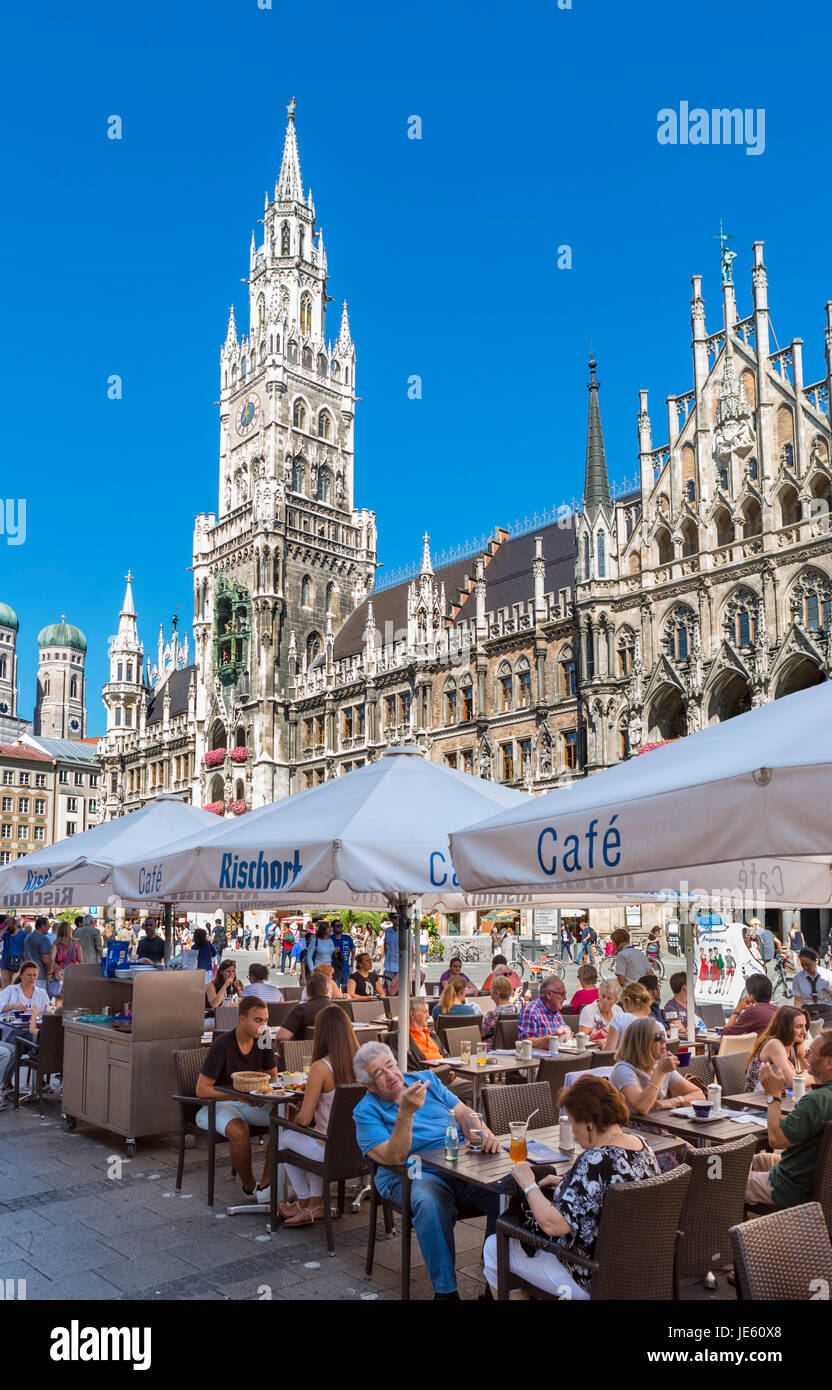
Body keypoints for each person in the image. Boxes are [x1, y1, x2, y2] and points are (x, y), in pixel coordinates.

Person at [482, 1074, 662, 1299]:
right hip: (639, 1268)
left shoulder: (595, 1159)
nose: (571, 1131)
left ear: (588, 1124)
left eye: (571, 1121)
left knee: (493, 1247)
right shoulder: (641, 1146)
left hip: (589, 1274)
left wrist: (528, 1184)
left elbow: (553, 1225)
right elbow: (610, 1186)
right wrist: (565, 1181)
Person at [352, 1041, 501, 1299]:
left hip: (456, 1163)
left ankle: (496, 1284)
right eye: (379, 1074)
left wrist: (482, 1133)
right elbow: (394, 1157)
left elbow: (462, 1112)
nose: (390, 1075)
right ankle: (446, 1291)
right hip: (410, 1172)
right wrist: (406, 1113)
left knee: (506, 1192)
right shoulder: (365, 1112)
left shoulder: (425, 1079)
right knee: (429, 1201)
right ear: (369, 1086)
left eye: (390, 1066)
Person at [277, 1003, 359, 1225]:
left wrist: (291, 1116)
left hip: (330, 1149)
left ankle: (305, 1201)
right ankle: (315, 1203)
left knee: (283, 1138)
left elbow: (304, 1119)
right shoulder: (363, 1062)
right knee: (311, 1135)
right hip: (360, 1150)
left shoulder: (321, 1068)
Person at [195, 995, 275, 1201]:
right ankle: (250, 1187)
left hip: (248, 1102)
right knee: (239, 1131)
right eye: (257, 1020)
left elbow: (273, 1077)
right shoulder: (223, 1044)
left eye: (266, 1020)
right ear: (241, 1019)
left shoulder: (264, 1038)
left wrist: (260, 1094)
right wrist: (239, 1096)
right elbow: (202, 1090)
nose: (263, 1025)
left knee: (287, 1116)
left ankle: (267, 1184)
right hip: (216, 1104)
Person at [744, 1029, 832, 1208]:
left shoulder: (817, 1100)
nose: (806, 1056)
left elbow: (776, 1140)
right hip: (814, 1176)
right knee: (746, 1161)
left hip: (791, 1187)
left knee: (719, 1180)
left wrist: (773, 1095)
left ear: (829, 1062)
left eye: (811, 1052)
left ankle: (719, 1228)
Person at [610, 1016, 699, 1116]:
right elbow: (642, 1107)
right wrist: (660, 1072)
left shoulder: (658, 1066)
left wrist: (672, 1102)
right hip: (631, 1129)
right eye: (658, 1037)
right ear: (642, 1043)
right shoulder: (623, 1069)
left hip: (659, 1126)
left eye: (663, 1035)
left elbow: (698, 1095)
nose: (664, 1040)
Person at [744, 1006, 811, 1092]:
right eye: (798, 1027)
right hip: (756, 1101)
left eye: (805, 1026)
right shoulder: (774, 1044)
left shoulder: (795, 1044)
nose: (804, 1031)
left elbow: (819, 1073)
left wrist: (803, 1075)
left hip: (779, 1098)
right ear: (785, 1028)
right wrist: (807, 1075)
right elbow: (795, 1083)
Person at [276, 972, 333, 1042]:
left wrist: (282, 1052)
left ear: (307, 992)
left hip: (302, 1052)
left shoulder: (301, 1010)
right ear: (327, 991)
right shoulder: (337, 1010)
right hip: (331, 1052)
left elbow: (281, 1036)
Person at [517, 974, 572, 1046]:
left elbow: (565, 1037)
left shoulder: (556, 1012)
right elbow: (525, 1042)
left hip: (557, 1055)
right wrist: (552, 1038)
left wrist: (567, 1036)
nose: (565, 998)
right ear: (549, 995)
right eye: (562, 994)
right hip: (537, 1056)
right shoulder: (531, 1011)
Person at [578, 980, 628, 1049]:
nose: (605, 1001)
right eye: (603, 996)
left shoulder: (618, 1010)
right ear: (599, 994)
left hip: (614, 1050)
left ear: (616, 1000)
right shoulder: (588, 1011)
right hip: (593, 1051)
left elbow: (624, 1033)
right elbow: (582, 1037)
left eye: (609, 998)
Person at [792, 947, 832, 1023]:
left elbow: (830, 997)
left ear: (816, 961)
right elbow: (798, 1001)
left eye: (808, 965)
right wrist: (796, 1016)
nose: (805, 968)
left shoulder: (828, 975)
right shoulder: (797, 978)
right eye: (802, 965)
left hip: (827, 1010)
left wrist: (829, 994)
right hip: (807, 1010)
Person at [480, 975, 519, 1048]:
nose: (489, 991)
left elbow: (481, 1033)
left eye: (491, 989)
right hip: (508, 1047)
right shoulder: (514, 1010)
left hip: (489, 1048)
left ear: (497, 994)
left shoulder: (493, 1015)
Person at [50, 920, 81, 1002]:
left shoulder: (56, 943)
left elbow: (52, 959)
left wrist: (50, 973)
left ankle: (58, 1014)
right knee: (73, 999)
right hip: (74, 974)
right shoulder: (76, 943)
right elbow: (81, 960)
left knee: (59, 998)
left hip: (60, 975)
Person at [23, 917, 54, 985]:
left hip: (27, 972)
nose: (49, 927)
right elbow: (45, 959)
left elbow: (25, 954)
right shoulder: (44, 939)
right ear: (42, 926)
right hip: (40, 974)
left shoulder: (27, 937)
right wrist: (51, 969)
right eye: (47, 925)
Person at [0, 918, 27, 987]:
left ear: (14, 924)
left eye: (9, 925)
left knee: (15, 986)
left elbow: (26, 949)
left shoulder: (23, 934)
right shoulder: (6, 934)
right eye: (6, 925)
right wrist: (6, 926)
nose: (7, 927)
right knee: (5, 988)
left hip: (18, 964)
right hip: (5, 964)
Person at [331, 920, 355, 990]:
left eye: (341, 925)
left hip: (346, 968)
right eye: (338, 926)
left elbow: (353, 951)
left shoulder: (347, 938)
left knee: (346, 989)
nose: (340, 927)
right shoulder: (330, 939)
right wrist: (333, 952)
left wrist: (351, 965)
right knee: (336, 990)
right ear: (333, 928)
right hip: (334, 970)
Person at [381, 915, 399, 993]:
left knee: (400, 990)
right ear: (391, 919)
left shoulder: (405, 931)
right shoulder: (388, 930)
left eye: (399, 917)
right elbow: (385, 943)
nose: (397, 919)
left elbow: (411, 949)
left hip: (400, 966)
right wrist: (386, 955)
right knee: (390, 989)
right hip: (389, 965)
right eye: (395, 917)